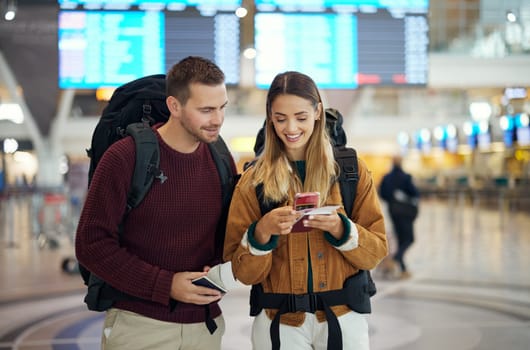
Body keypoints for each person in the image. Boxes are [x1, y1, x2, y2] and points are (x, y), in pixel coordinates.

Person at [75, 56, 237, 350]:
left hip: (205, 327)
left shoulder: (221, 159)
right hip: (139, 327)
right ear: (174, 106)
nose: (218, 119)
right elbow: (91, 244)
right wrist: (166, 285)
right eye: (206, 110)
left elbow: (223, 237)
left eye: (222, 107)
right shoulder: (125, 157)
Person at [223, 71, 388, 350]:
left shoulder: (350, 171)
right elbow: (243, 273)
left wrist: (342, 229)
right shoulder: (253, 181)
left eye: (301, 117)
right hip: (279, 322)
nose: (291, 128)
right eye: (280, 118)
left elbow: (377, 251)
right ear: (269, 117)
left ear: (318, 112)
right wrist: (261, 234)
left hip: (343, 319)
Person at [378, 154, 420, 279]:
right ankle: (396, 259)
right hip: (405, 212)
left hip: (393, 211)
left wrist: (392, 201)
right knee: (409, 239)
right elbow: (415, 194)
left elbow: (382, 193)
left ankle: (403, 269)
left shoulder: (386, 177)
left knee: (400, 238)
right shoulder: (406, 177)